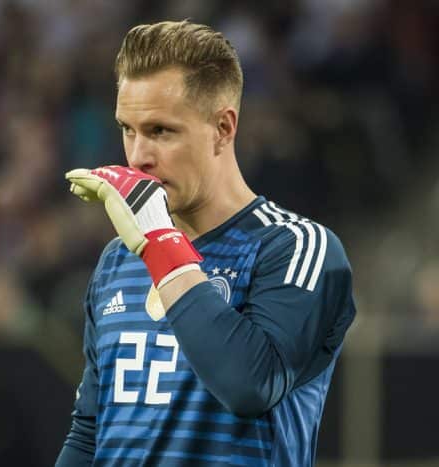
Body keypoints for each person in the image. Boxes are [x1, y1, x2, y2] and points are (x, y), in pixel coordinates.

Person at [56, 20, 356, 467]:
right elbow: (89, 432)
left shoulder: (297, 248)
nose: (137, 156)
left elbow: (250, 386)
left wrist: (160, 243)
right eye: (127, 129)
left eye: (160, 131)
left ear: (223, 127)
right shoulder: (119, 259)